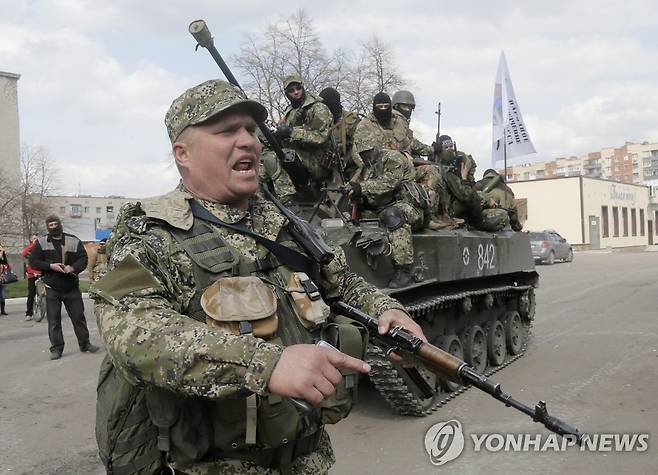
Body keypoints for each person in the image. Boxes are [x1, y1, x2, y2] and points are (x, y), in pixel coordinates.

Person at [92, 79, 425, 475]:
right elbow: (133, 332)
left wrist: (387, 309)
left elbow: (342, 281)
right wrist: (266, 364)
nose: (248, 141)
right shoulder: (151, 232)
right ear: (183, 153)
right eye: (226, 131)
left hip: (305, 461)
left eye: (251, 129)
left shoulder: (283, 222)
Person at [347, 147, 428, 288]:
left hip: (409, 207)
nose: (364, 157)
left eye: (366, 153)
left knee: (393, 215)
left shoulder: (392, 158)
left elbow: (389, 183)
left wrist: (361, 188)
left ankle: (404, 270)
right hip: (385, 207)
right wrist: (360, 197)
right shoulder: (369, 167)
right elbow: (374, 195)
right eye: (362, 154)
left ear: (373, 148)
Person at [28, 215, 99, 360]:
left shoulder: (73, 240)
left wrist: (73, 268)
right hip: (52, 288)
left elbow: (83, 259)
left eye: (55, 224)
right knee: (54, 321)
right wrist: (50, 266)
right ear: (48, 227)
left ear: (60, 224)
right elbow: (33, 261)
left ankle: (85, 344)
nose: (53, 227)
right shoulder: (41, 243)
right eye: (50, 225)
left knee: (78, 317)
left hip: (71, 287)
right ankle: (56, 349)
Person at [274, 74, 334, 185]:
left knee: (278, 158)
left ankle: (286, 199)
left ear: (303, 88)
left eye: (298, 88)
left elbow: (321, 137)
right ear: (287, 93)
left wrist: (292, 132)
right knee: (265, 160)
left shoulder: (318, 108)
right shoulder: (290, 111)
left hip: (317, 162)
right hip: (296, 156)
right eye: (291, 90)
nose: (296, 92)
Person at [318, 87, 361, 179]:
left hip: (350, 166)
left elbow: (361, 145)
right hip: (324, 166)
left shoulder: (351, 120)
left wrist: (346, 160)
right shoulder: (319, 121)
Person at [391, 90, 433, 157]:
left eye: (409, 107)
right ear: (396, 106)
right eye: (404, 106)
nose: (407, 110)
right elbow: (410, 143)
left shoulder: (401, 121)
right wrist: (432, 149)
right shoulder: (395, 120)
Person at [21, 235, 42, 320]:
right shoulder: (30, 249)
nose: (36, 240)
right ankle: (29, 313)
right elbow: (24, 253)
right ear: (31, 241)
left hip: (41, 273)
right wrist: (33, 244)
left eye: (37, 239)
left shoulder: (41, 249)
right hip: (32, 274)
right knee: (31, 294)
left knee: (46, 293)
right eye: (34, 239)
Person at [0, 240, 9, 316]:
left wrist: (2, 253)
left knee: (3, 295)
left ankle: (3, 310)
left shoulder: (2, 252)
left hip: (2, 276)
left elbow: (5, 262)